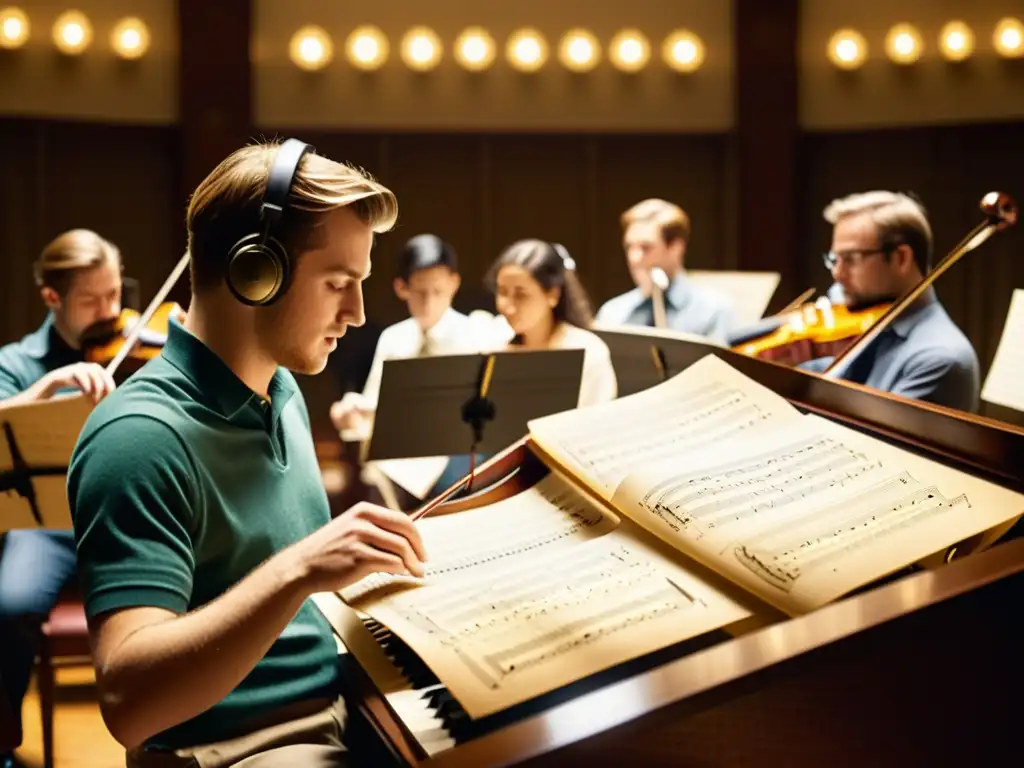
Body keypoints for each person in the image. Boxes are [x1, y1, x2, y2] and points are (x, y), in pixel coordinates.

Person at [66, 139, 426, 767]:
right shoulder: (139, 438)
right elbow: (130, 705)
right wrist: (299, 569)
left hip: (348, 706)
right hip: (242, 748)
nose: (360, 313)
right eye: (338, 282)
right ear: (255, 272)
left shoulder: (282, 391)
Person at [0, 229, 121, 768]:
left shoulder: (137, 350)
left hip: (122, 518)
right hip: (47, 525)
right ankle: (3, 742)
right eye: (92, 300)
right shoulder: (16, 363)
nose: (111, 311)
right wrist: (43, 392)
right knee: (11, 605)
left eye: (115, 294)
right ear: (53, 298)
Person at [803, 190, 980, 413]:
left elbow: (867, 441)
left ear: (901, 258)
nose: (837, 274)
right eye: (834, 260)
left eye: (850, 259)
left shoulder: (939, 359)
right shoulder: (852, 310)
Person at [328, 233, 478, 438]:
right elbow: (374, 414)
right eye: (420, 292)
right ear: (402, 288)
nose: (429, 302)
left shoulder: (474, 334)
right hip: (396, 462)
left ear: (454, 283)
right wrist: (352, 417)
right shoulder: (393, 338)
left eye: (438, 291)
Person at [486, 239, 617, 409]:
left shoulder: (588, 351)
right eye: (503, 292)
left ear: (552, 295)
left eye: (521, 295)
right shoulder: (493, 341)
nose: (509, 307)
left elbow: (597, 422)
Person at [595, 198, 736, 341]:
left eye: (645, 247)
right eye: (629, 247)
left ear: (676, 248)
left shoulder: (712, 311)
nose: (634, 258)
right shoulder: (613, 313)